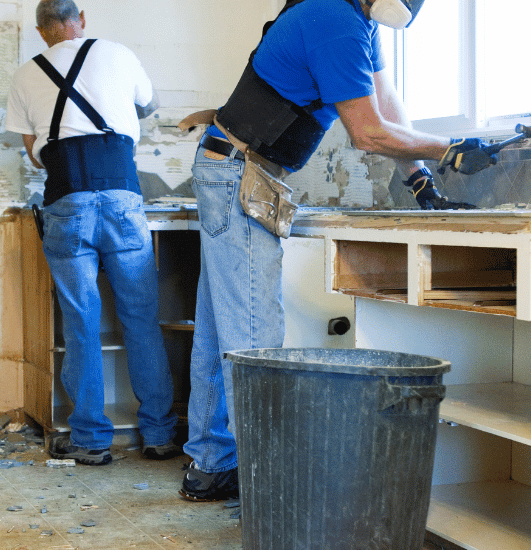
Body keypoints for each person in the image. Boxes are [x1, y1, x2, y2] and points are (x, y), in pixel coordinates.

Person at [174, 0, 498, 501]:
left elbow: (386, 106)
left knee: (224, 327)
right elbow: (367, 132)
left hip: (233, 168)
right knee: (254, 337)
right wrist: (449, 148)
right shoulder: (335, 18)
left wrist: (421, 182)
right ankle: (269, 488)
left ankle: (212, 465)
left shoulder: (358, 21)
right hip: (240, 174)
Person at [5, 0, 179, 466]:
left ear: (41, 31)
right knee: (140, 319)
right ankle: (159, 435)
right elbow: (148, 105)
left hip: (67, 200)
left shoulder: (25, 75)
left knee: (81, 322)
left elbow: (34, 155)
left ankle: (90, 440)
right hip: (122, 196)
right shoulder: (118, 53)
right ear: (80, 21)